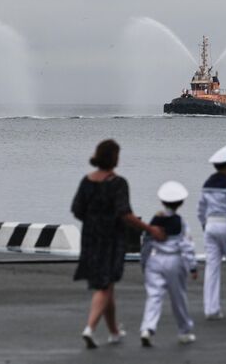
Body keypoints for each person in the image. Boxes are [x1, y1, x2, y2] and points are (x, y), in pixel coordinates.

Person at [72, 139, 166, 349]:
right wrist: (151, 230)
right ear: (114, 158)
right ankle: (90, 328)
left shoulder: (86, 181)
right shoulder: (118, 183)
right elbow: (125, 214)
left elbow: (77, 210)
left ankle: (114, 332)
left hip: (89, 239)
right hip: (111, 240)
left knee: (107, 285)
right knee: (105, 286)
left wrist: (94, 220)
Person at [140, 181, 199, 347]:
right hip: (174, 260)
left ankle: (148, 328)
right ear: (181, 203)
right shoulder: (181, 222)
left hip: (155, 259)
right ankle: (184, 331)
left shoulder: (154, 220)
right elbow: (186, 245)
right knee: (178, 297)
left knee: (154, 296)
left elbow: (146, 243)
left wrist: (143, 262)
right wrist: (192, 266)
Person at [198, 145, 226, 319]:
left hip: (210, 226)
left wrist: (204, 224)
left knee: (212, 267)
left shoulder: (207, 184)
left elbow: (200, 208)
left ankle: (211, 309)